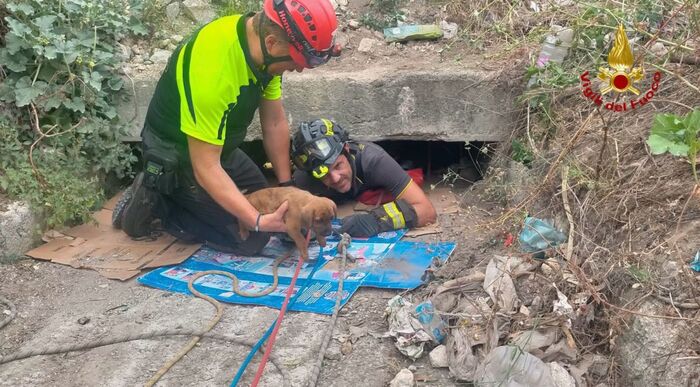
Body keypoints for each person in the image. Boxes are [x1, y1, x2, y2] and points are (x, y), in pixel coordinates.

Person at [112, 0, 341, 255]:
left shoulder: (266, 48)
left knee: (267, 200)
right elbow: (206, 166)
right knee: (251, 239)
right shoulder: (215, 71)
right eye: (297, 61)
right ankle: (158, 200)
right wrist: (257, 221)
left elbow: (274, 122)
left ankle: (188, 198)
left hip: (219, 147)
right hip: (178, 154)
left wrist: (287, 187)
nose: (298, 68)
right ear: (272, 43)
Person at [288, 118, 437, 237]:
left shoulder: (374, 161)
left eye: (338, 166)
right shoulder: (305, 179)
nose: (335, 178)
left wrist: (375, 221)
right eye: (323, 173)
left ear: (346, 149)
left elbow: (427, 211)